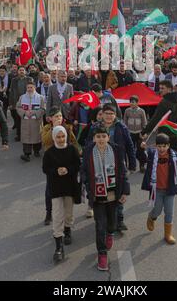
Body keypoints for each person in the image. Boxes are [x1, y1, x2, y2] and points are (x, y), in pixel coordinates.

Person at [82, 125, 130, 271]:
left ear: (108, 137)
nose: (101, 139)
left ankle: (110, 233)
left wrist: (124, 192)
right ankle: (102, 254)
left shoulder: (116, 150)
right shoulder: (88, 151)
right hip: (97, 196)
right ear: (94, 138)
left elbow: (123, 171)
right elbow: (83, 170)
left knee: (111, 224)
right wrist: (87, 185)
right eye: (98, 136)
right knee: (100, 225)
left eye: (104, 136)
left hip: (113, 195)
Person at [86, 103, 136, 232]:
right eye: (106, 113)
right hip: (99, 165)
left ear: (115, 115)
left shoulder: (121, 127)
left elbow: (130, 145)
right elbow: (88, 144)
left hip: (118, 165)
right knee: (104, 192)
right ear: (102, 114)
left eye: (111, 114)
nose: (109, 116)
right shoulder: (95, 127)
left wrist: (132, 163)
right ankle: (104, 218)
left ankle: (119, 220)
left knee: (119, 192)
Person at [142, 133, 177, 245]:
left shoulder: (174, 155)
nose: (162, 149)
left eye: (164, 146)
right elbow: (140, 156)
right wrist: (141, 149)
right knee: (157, 210)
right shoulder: (151, 154)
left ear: (168, 146)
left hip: (170, 190)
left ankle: (168, 235)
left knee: (169, 212)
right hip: (157, 189)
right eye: (159, 146)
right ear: (155, 146)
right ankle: (151, 217)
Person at [42, 126, 81, 263]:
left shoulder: (72, 150)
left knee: (68, 213)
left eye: (62, 136)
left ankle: (68, 229)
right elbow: (45, 169)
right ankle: (59, 247)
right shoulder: (49, 153)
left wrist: (68, 169)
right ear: (53, 138)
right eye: (58, 137)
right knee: (58, 215)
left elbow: (77, 165)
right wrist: (56, 171)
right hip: (56, 188)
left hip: (70, 187)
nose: (60, 139)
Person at [41, 106, 80, 225]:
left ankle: (67, 220)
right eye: (56, 116)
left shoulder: (66, 128)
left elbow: (73, 141)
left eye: (60, 116)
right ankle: (49, 212)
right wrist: (54, 128)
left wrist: (78, 150)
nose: (59, 118)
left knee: (69, 187)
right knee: (50, 188)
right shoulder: (47, 128)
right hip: (53, 161)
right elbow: (45, 141)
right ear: (50, 118)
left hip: (66, 159)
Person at [142, 80, 177, 151]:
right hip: (176, 133)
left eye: (162, 88)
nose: (160, 90)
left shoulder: (164, 102)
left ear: (169, 89)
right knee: (175, 156)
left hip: (165, 135)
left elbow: (155, 119)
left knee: (164, 158)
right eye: (160, 88)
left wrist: (145, 131)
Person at [17, 81, 45, 162]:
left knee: (36, 137)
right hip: (25, 121)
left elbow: (43, 109)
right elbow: (18, 107)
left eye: (31, 87)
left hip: (36, 121)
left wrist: (34, 113)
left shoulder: (40, 97)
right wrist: (24, 112)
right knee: (26, 138)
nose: (29, 89)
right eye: (28, 87)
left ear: (34, 88)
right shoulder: (22, 97)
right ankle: (27, 154)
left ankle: (36, 151)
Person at [124, 96, 147, 173]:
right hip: (130, 133)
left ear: (137, 103)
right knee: (130, 151)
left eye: (133, 102)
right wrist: (126, 132)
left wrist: (143, 133)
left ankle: (142, 165)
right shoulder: (127, 111)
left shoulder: (141, 111)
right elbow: (125, 122)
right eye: (130, 102)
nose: (131, 103)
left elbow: (144, 123)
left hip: (139, 133)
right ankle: (132, 167)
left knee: (141, 150)